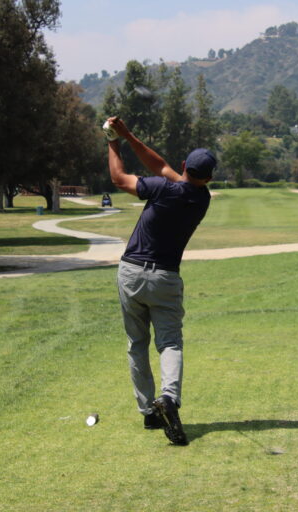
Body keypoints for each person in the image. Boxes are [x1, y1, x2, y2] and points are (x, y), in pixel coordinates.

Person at [105, 116, 217, 446]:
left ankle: (149, 413)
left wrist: (113, 140)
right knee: (169, 343)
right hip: (166, 278)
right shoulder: (201, 199)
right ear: (209, 177)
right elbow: (161, 166)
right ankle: (168, 398)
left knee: (137, 344)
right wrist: (128, 134)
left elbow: (118, 178)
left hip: (132, 273)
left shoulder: (161, 189)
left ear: (185, 165)